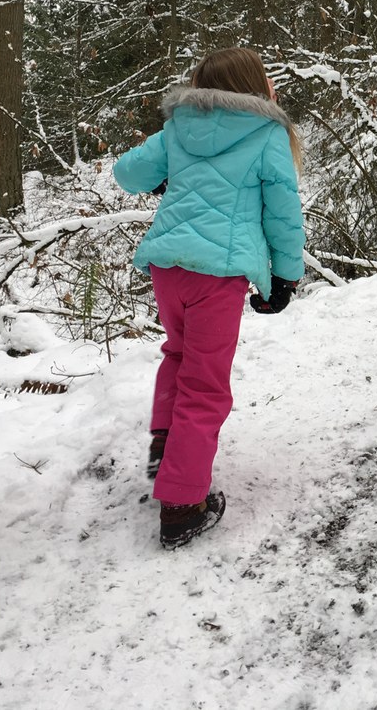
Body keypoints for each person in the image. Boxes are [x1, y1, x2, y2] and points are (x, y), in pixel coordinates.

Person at [113, 48, 305, 549]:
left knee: (178, 354)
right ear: (256, 85)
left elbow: (128, 173)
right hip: (217, 276)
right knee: (205, 385)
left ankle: (166, 449)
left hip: (167, 267)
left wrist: (163, 176)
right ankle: (181, 507)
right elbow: (282, 210)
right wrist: (285, 276)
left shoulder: (179, 126)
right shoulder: (266, 132)